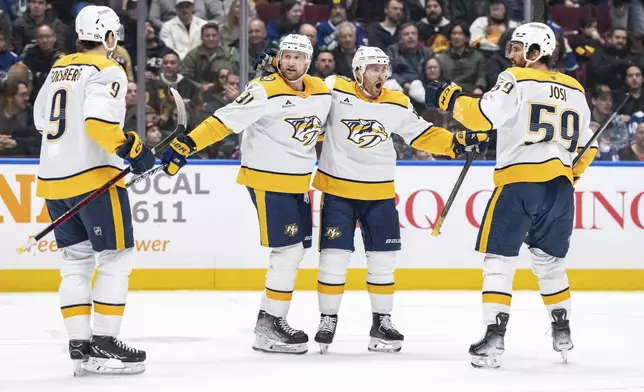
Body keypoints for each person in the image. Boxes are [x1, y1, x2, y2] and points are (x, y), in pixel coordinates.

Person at [253, 46, 488, 354]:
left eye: (383, 68)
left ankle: (382, 321)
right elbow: (302, 85)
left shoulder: (396, 101)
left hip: (380, 193)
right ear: (358, 72)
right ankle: (328, 318)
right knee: (333, 260)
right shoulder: (335, 89)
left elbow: (422, 134)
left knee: (383, 262)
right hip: (339, 192)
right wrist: (274, 66)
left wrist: (457, 143)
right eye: (374, 68)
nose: (381, 74)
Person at [425, 22, 598, 368]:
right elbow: (588, 145)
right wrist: (568, 175)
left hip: (519, 185)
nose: (511, 55)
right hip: (561, 191)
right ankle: (562, 330)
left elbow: (481, 116)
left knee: (498, 261)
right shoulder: (577, 89)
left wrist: (450, 98)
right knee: (550, 264)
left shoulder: (515, 79)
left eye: (518, 48)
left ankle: (494, 335)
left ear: (537, 52)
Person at [160, 34, 332, 355]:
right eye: (287, 56)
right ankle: (268, 327)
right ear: (278, 58)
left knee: (294, 253)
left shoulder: (323, 91)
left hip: (299, 183)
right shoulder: (262, 90)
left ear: (309, 62)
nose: (292, 62)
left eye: (299, 57)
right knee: (286, 252)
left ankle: (271, 321)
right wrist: (188, 144)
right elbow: (223, 121)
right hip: (268, 180)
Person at [33, 5, 155, 375]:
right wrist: (133, 149)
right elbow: (99, 124)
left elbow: (41, 119)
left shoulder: (58, 68)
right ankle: (103, 342)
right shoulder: (108, 68)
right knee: (117, 259)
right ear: (108, 36)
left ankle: (79, 344)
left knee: (75, 263)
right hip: (95, 180)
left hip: (54, 180)